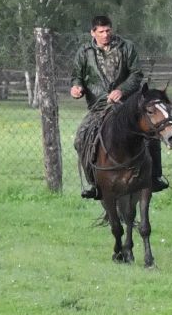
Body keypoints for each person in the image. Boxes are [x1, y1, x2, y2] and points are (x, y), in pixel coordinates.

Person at [71, 14, 166, 199]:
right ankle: (94, 183)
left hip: (127, 106)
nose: (105, 34)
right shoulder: (84, 52)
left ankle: (155, 178)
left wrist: (121, 90)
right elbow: (77, 76)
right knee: (80, 138)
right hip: (98, 107)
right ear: (93, 33)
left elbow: (137, 74)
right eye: (101, 31)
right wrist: (76, 87)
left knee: (151, 135)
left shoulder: (126, 47)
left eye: (108, 30)